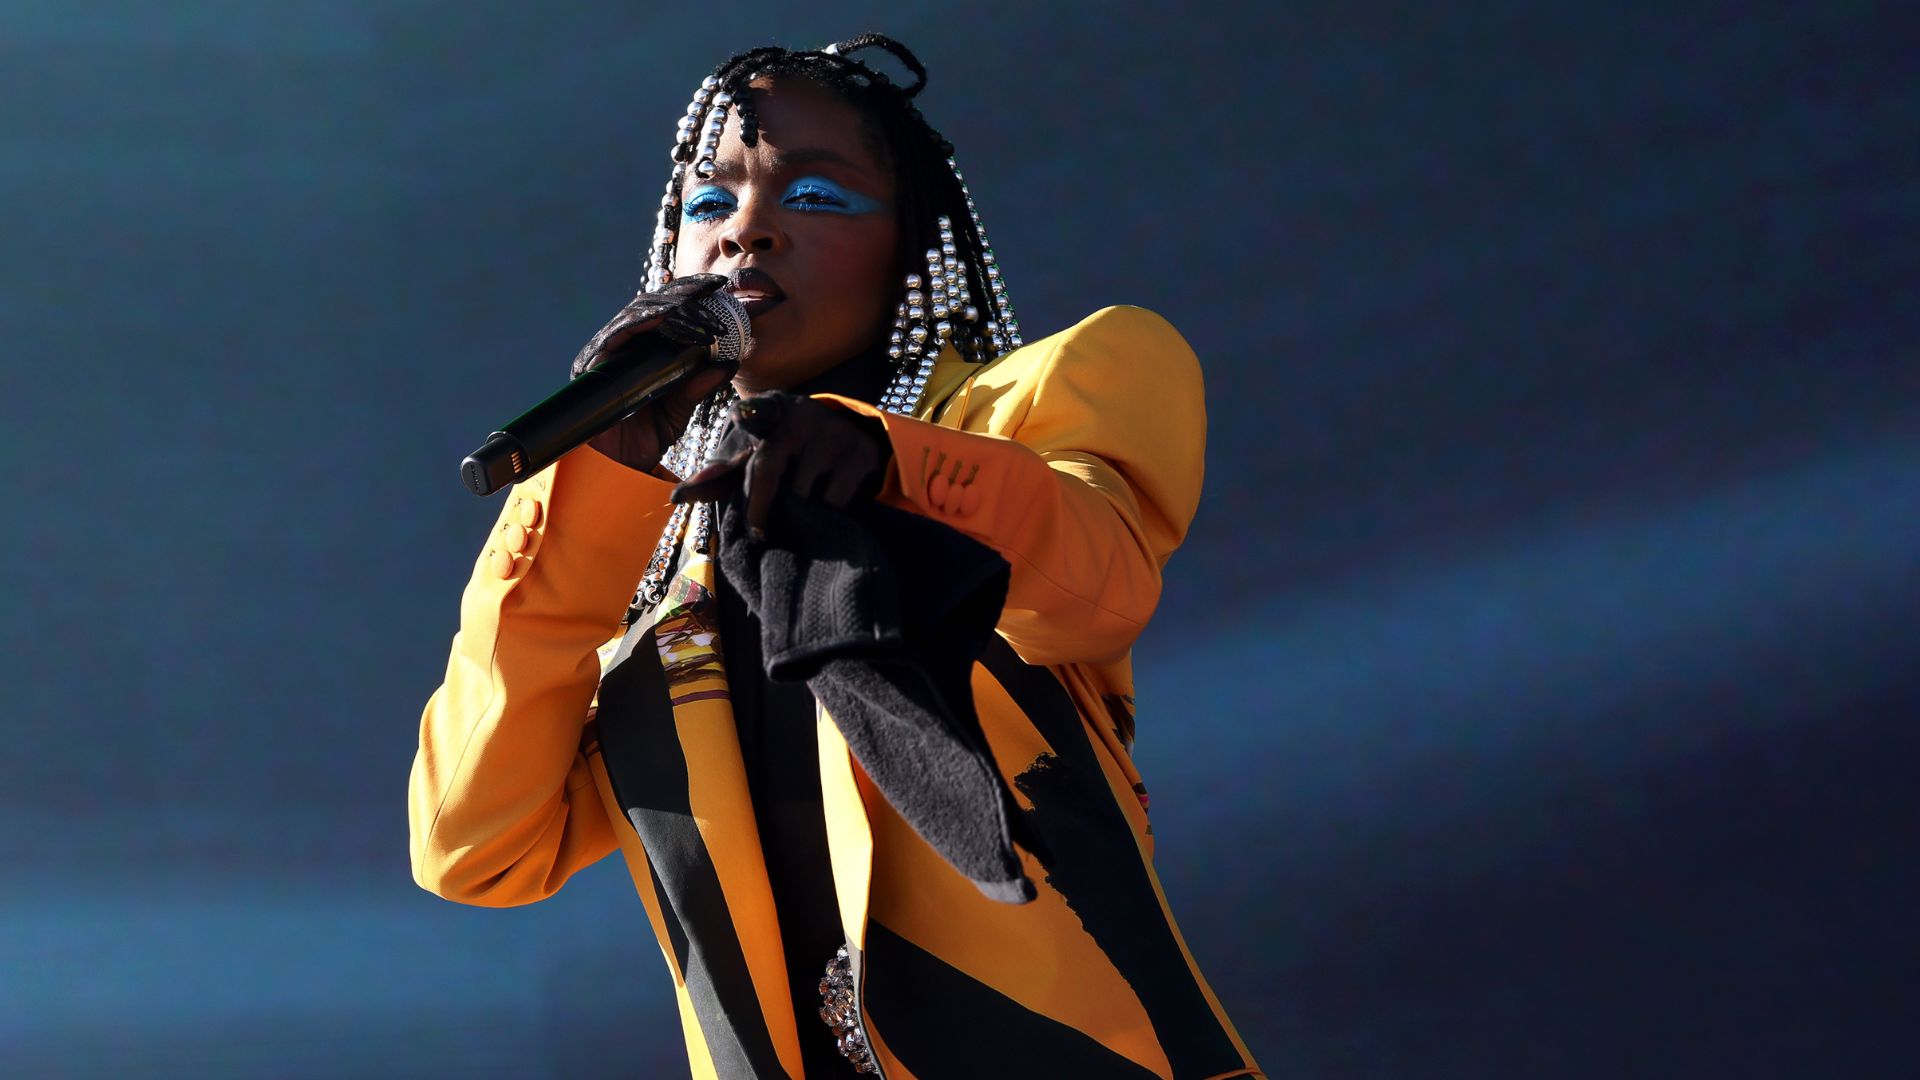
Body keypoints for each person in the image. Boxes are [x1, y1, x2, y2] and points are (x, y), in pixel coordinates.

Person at [409, 34, 1263, 1080]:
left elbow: (1098, 589)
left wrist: (886, 462)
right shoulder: (654, 563)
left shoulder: (1042, 401)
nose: (747, 232)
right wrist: (592, 488)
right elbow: (474, 847)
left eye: (815, 197)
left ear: (910, 248)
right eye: (708, 203)